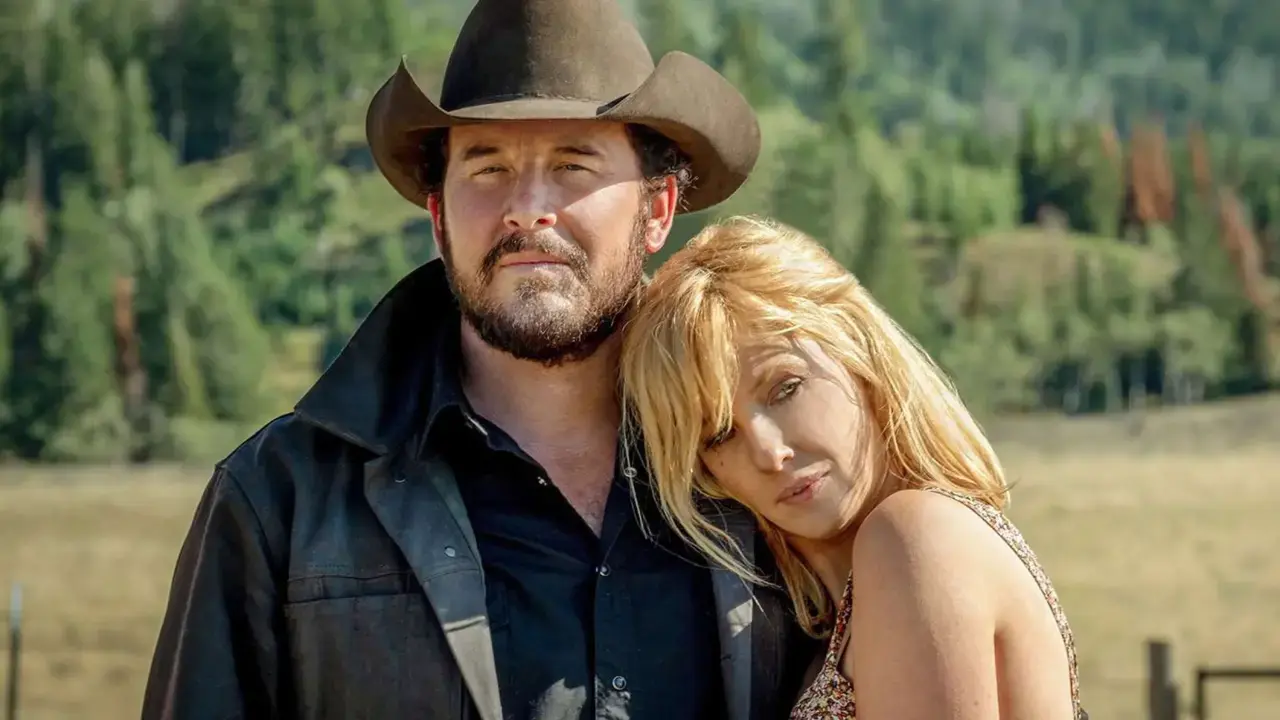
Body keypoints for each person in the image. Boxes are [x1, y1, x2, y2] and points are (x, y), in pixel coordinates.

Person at [140, 2, 818, 719]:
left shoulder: (770, 471)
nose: (527, 208)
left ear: (657, 211)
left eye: (573, 165)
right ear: (438, 218)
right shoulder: (280, 499)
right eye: (488, 167)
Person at [618, 216, 1090, 720]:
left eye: (786, 388)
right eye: (719, 435)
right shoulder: (840, 613)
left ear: (857, 348)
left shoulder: (917, 536)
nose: (769, 453)